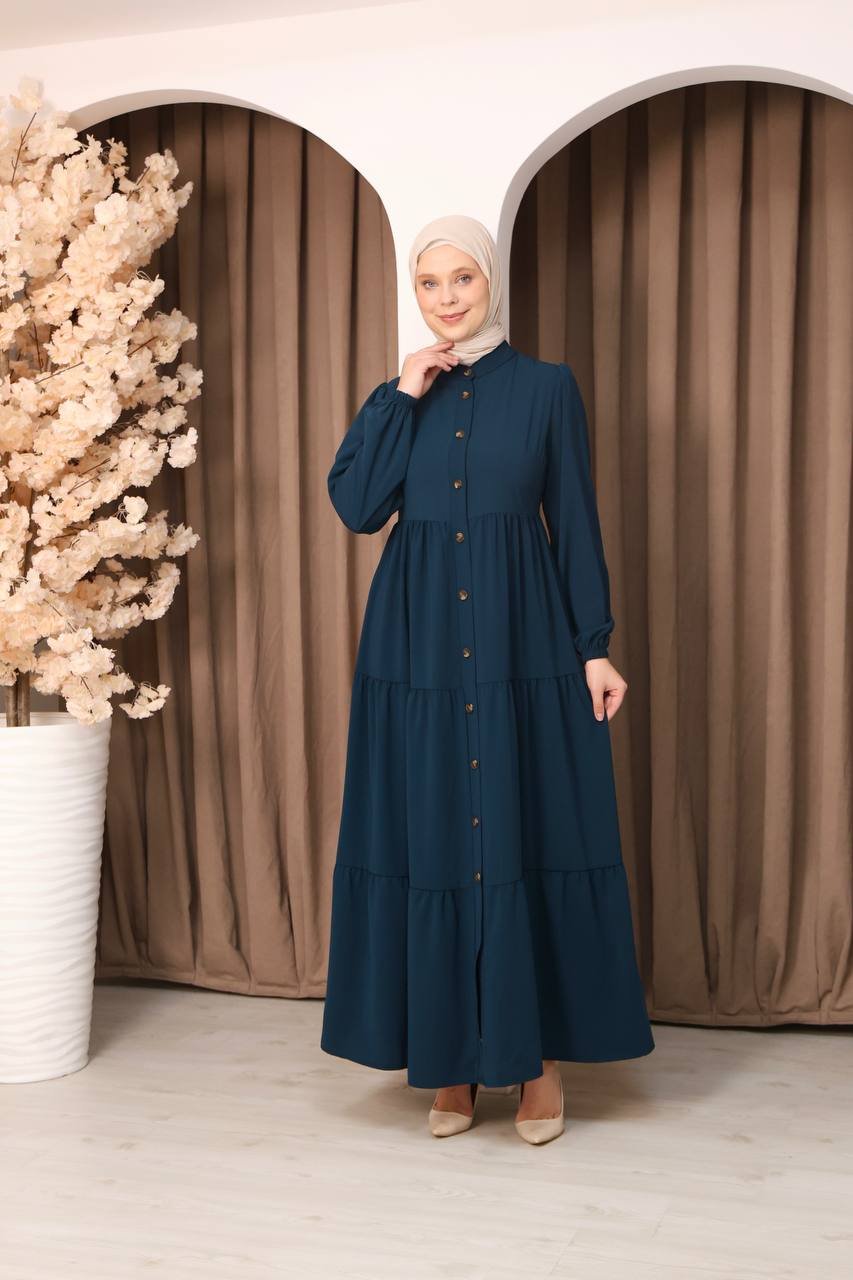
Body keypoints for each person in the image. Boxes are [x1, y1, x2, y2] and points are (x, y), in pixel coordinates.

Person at [320, 213, 654, 1144]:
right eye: (429, 283)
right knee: (432, 836)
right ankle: (452, 1064)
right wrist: (400, 392)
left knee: (520, 833)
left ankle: (535, 1064)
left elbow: (573, 520)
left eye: (461, 278)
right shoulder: (401, 396)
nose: (448, 298)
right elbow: (357, 506)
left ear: (490, 280)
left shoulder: (546, 389)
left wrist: (594, 645)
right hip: (416, 650)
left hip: (520, 642)